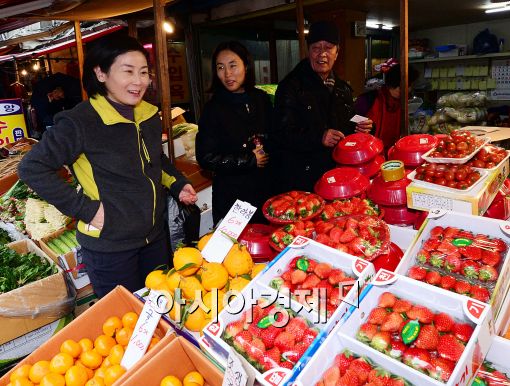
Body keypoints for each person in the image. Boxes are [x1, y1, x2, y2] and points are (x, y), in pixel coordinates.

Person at [18, 35, 197, 298]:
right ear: (100, 73)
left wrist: (179, 183)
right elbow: (32, 168)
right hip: (110, 247)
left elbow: (155, 159)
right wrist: (86, 209)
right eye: (128, 71)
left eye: (144, 72)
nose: (139, 81)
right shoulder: (79, 122)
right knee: (124, 322)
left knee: (162, 308)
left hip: (154, 238)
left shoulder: (147, 115)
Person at [272, 20, 373, 193]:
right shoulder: (291, 86)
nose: (322, 54)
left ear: (337, 52)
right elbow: (281, 133)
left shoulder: (341, 87)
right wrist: (319, 137)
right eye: (316, 48)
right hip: (302, 180)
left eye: (328, 47)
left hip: (336, 174)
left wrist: (362, 126)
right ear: (308, 51)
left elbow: (348, 120)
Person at [196, 41, 273, 225]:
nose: (227, 74)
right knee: (235, 250)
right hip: (232, 197)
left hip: (265, 191)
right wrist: (248, 160)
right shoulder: (213, 109)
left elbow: (275, 136)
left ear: (246, 66)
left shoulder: (261, 99)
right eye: (220, 67)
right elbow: (205, 157)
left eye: (233, 65)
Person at [355, 62, 419, 155]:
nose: (410, 89)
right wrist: (364, 126)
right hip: (369, 155)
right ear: (403, 85)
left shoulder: (402, 103)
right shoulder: (369, 99)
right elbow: (353, 119)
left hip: (391, 154)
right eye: (410, 85)